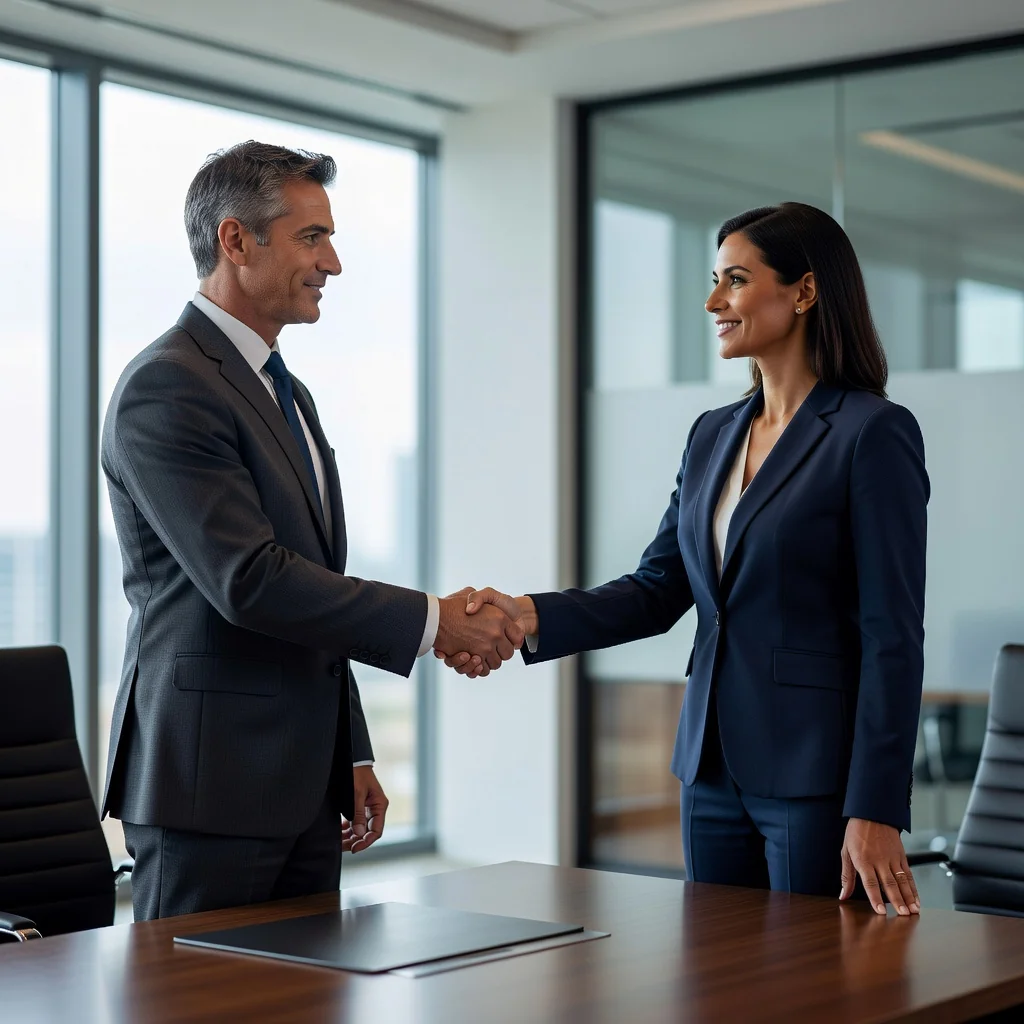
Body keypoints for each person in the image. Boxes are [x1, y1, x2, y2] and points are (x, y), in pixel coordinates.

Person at [440, 202, 929, 916]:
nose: (713, 302)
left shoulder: (871, 433)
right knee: (715, 982)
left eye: (735, 279)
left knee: (813, 988)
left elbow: (893, 635)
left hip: (814, 775)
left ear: (805, 291)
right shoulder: (713, 434)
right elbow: (657, 588)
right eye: (713, 279)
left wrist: (877, 806)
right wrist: (525, 615)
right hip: (708, 771)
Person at [101, 141, 523, 920]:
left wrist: (350, 749)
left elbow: (313, 580)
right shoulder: (168, 385)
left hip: (301, 786)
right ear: (235, 240)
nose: (333, 262)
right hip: (211, 786)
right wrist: (436, 622)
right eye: (310, 237)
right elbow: (250, 580)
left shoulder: (283, 390)